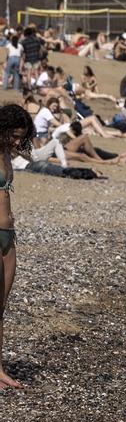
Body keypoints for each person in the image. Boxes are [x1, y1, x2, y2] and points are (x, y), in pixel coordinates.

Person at [0, 104, 32, 389]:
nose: (17, 142)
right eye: (13, 135)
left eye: (21, 136)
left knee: (2, 306)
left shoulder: (9, 156)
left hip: (9, 235)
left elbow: (30, 155)